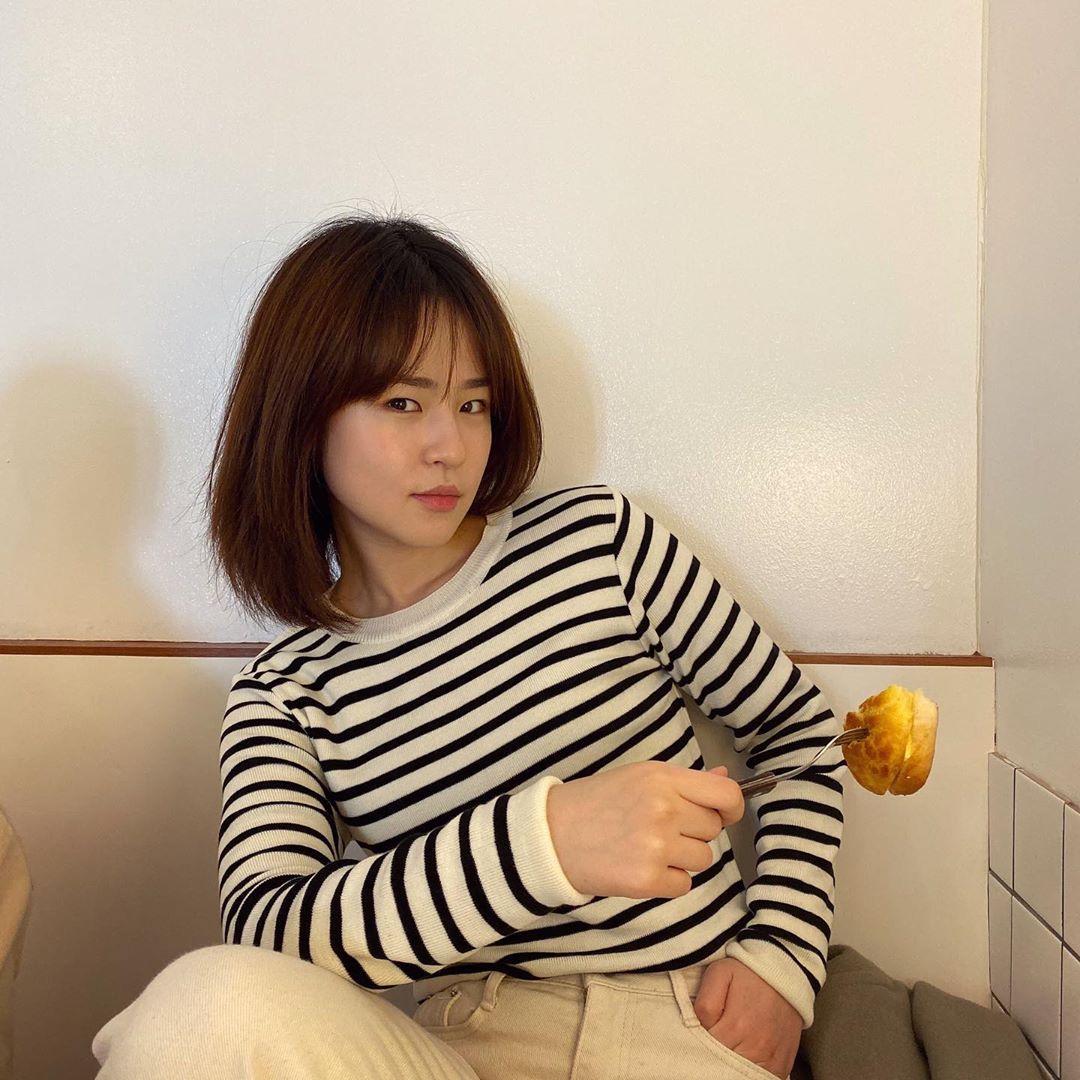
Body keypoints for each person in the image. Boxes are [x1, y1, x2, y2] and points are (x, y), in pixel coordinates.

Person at [91, 213, 844, 1080]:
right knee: (206, 1002)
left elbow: (800, 732)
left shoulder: (599, 543)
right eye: (403, 402)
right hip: (463, 1049)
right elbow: (270, 931)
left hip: (686, 1024)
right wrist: (545, 845)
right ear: (302, 415)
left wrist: (783, 961)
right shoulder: (284, 693)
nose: (450, 447)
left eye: (473, 404)